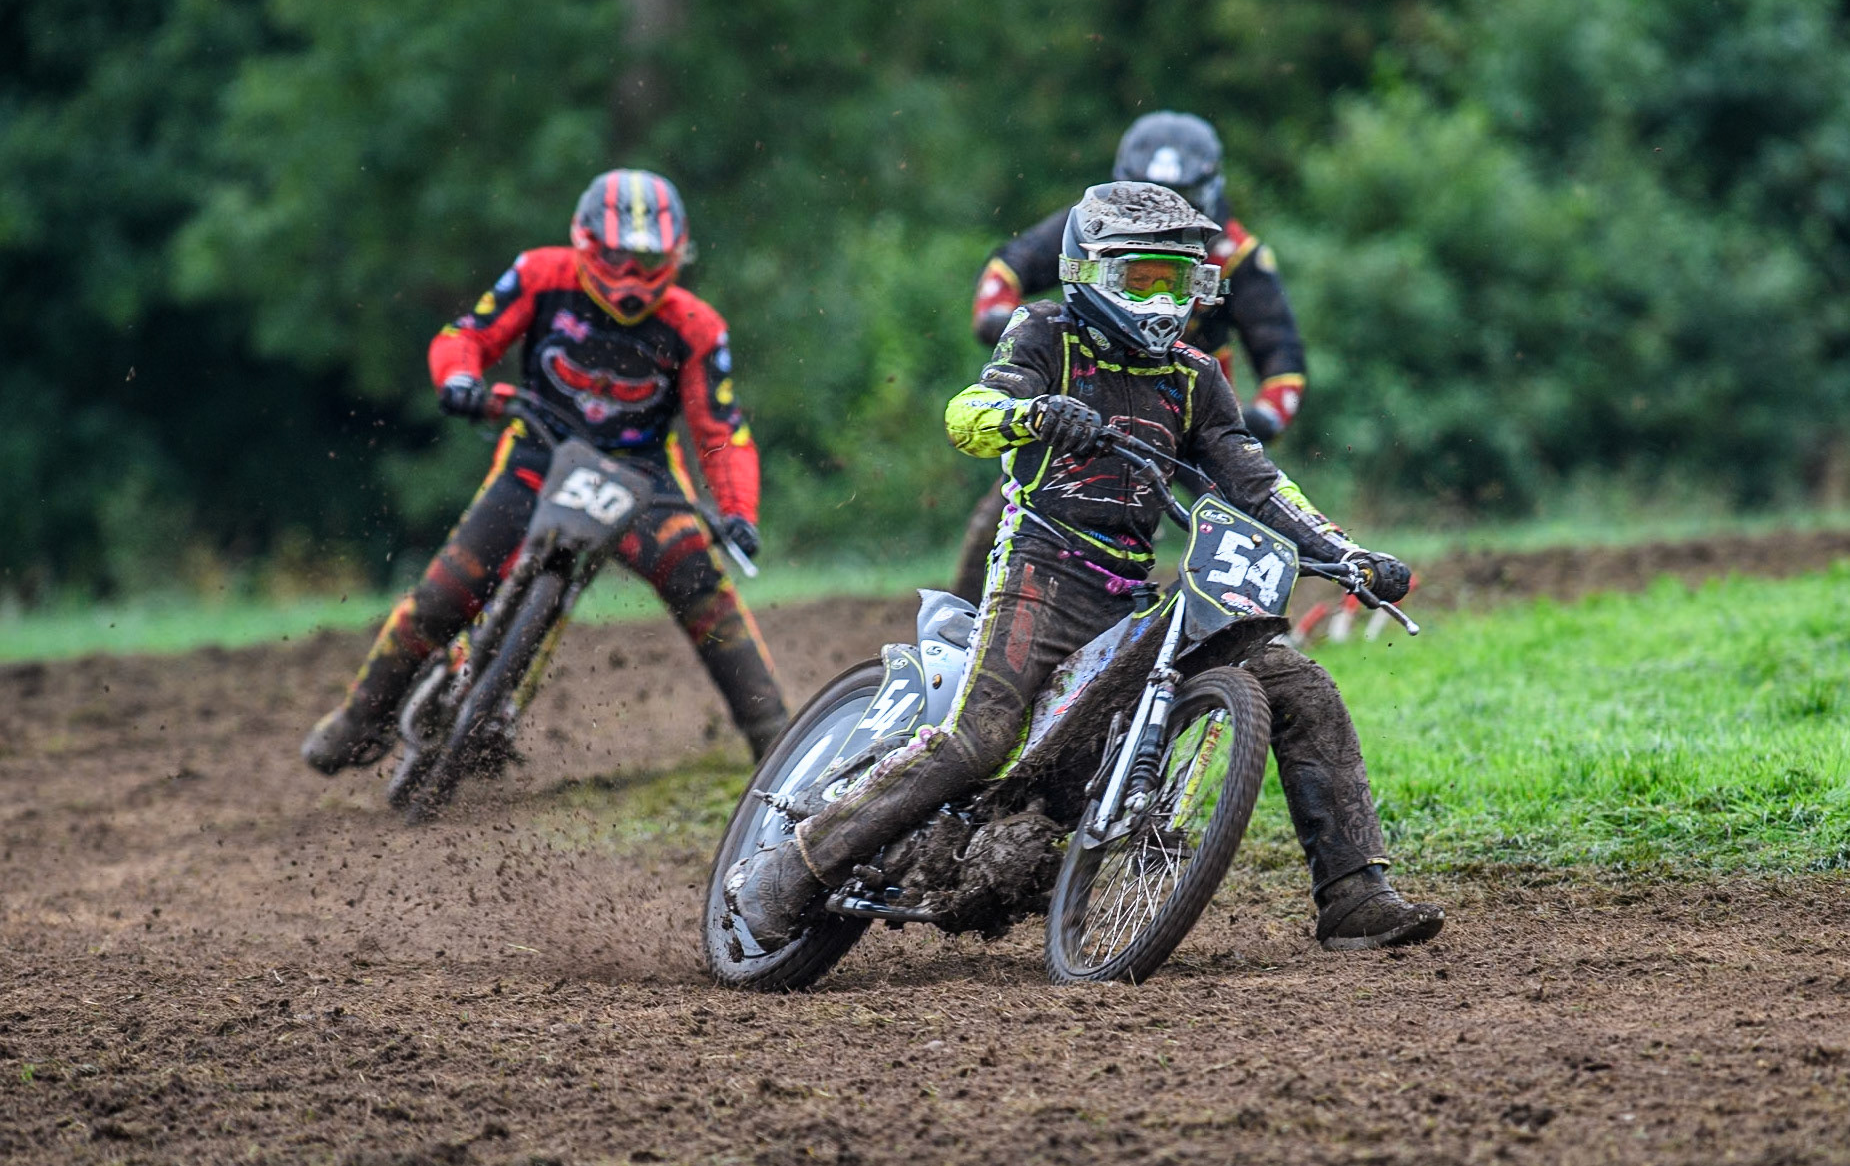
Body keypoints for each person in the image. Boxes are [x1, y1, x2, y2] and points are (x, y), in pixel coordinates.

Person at [730, 181, 1443, 953]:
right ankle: (791, 869)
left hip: (1129, 589)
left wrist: (1346, 554)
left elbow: (1258, 485)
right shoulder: (1045, 333)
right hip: (1039, 574)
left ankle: (1354, 892)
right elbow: (966, 415)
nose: (1163, 301)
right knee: (981, 735)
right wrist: (1033, 414)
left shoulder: (1195, 377)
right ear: (1088, 272)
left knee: (1299, 682)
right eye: (1143, 280)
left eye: (1178, 281)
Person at [302, 169, 790, 774]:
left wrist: (739, 513)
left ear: (676, 256)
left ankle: (777, 741)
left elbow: (722, 432)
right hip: (538, 457)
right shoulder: (540, 274)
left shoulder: (697, 326)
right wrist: (460, 378)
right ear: (585, 242)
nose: (631, 276)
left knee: (705, 593)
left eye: (648, 261)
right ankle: (357, 719)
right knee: (443, 595)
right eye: (617, 257)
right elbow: (467, 336)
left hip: (641, 479)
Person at [951, 111, 1307, 602]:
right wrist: (1001, 318)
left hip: (1190, 408)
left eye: (1183, 198)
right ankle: (969, 615)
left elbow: (1281, 354)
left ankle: (1250, 628)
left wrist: (1264, 418)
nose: (1163, 217)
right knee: (1016, 503)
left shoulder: (1237, 254)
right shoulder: (1091, 223)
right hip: (1087, 391)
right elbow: (1009, 267)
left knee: (1249, 519)